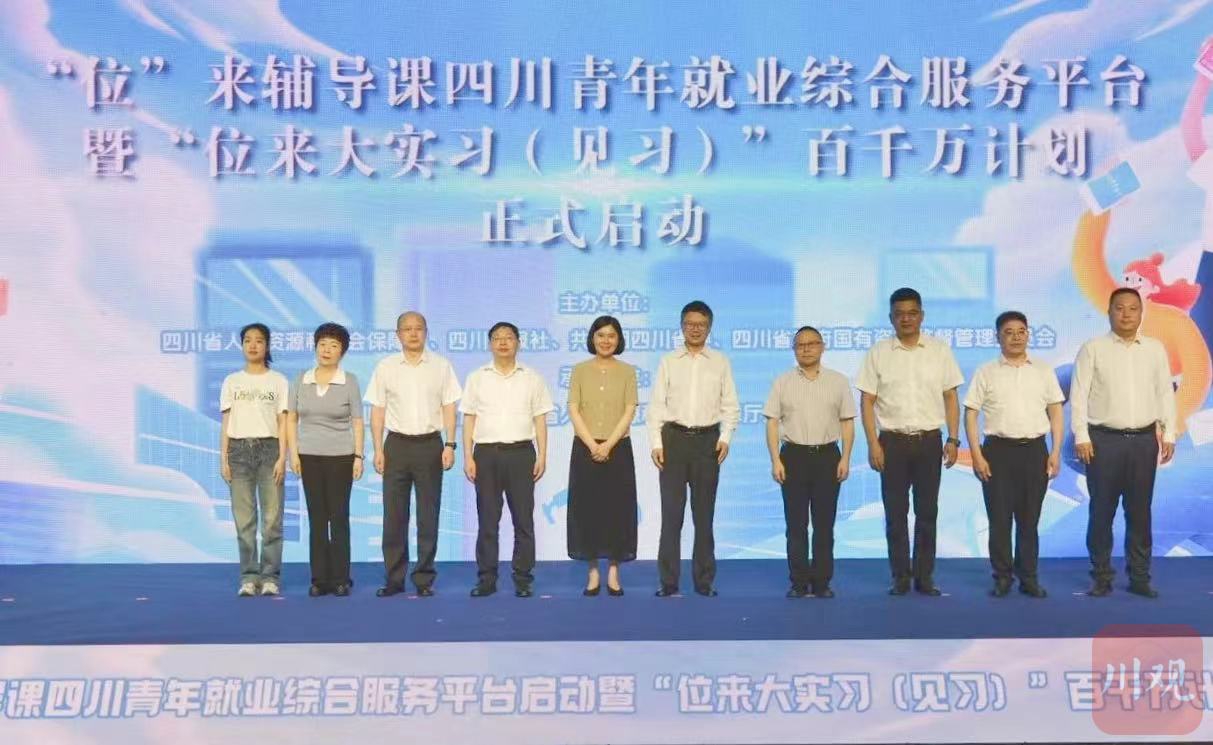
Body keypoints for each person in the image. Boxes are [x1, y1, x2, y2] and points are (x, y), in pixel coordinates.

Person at [857, 287, 963, 597]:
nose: (906, 319)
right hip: (892, 443)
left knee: (927, 512)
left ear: (922, 316)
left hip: (930, 441)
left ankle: (925, 577)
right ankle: (900, 577)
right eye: (900, 314)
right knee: (895, 513)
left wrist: (953, 438)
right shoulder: (879, 353)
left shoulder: (939, 350)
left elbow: (950, 396)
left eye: (912, 313)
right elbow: (867, 401)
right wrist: (873, 444)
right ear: (891, 318)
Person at [1071, 288, 1177, 598]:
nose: (1126, 314)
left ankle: (1140, 577)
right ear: (1109, 312)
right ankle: (1101, 576)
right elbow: (1078, 395)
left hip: (1144, 441)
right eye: (1119, 308)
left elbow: (1164, 393)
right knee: (1101, 511)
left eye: (1133, 308)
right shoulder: (1093, 348)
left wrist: (1169, 433)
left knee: (1140, 512)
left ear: (1141, 313)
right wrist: (1081, 435)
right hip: (1103, 442)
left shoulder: (1155, 349)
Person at [963, 311, 1064, 599]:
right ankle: (1002, 577)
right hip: (997, 452)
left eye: (1021, 331)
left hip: (1035, 451)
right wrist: (977, 455)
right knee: (999, 520)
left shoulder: (1043, 370)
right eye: (1009, 332)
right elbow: (971, 414)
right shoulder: (986, 372)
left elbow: (1056, 411)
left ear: (1028, 334)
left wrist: (1055, 451)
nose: (1016, 337)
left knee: (1029, 521)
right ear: (998, 337)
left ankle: (1028, 578)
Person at [364, 311, 461, 598]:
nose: (413, 333)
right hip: (396, 445)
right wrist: (377, 449)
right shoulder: (386, 367)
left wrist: (450, 444)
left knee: (428, 515)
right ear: (398, 335)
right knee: (394, 515)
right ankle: (394, 578)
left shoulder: (441, 366)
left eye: (418, 328)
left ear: (426, 332)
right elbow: (377, 411)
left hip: (430, 445)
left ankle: (424, 578)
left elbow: (449, 407)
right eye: (407, 329)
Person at [649, 300, 740, 597]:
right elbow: (656, 405)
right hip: (673, 441)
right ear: (681, 326)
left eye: (701, 324)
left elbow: (730, 405)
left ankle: (704, 581)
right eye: (690, 324)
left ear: (709, 328)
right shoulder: (669, 361)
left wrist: (725, 437)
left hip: (707, 443)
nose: (695, 329)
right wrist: (657, 443)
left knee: (704, 516)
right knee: (671, 516)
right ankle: (669, 582)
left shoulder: (720, 362)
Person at [461, 322, 554, 598]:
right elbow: (469, 419)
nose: (503, 342)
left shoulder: (532, 378)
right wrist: (468, 455)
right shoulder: (477, 377)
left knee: (523, 519)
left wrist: (543, 454)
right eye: (497, 338)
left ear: (518, 343)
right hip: (486, 454)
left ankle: (523, 578)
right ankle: (486, 579)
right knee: (488, 520)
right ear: (490, 344)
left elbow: (540, 419)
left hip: (521, 454)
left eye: (509, 338)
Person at [764, 325, 855, 599]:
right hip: (793, 457)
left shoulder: (838, 381)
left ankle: (822, 582)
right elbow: (772, 422)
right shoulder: (782, 382)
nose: (806, 349)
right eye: (800, 345)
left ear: (822, 347)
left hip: (828, 456)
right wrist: (775, 460)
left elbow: (847, 422)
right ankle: (799, 582)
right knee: (796, 525)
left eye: (812, 344)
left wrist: (846, 457)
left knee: (824, 525)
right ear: (794, 349)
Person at [287, 323, 364, 598]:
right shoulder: (301, 379)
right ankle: (319, 579)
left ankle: (341, 578)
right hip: (309, 456)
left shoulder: (349, 380)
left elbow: (358, 421)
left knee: (338, 517)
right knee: (317, 518)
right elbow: (291, 419)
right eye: (322, 344)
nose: (327, 350)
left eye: (333, 345)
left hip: (341, 457)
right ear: (315, 347)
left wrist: (358, 456)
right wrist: (293, 453)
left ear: (342, 351)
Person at [566, 315, 639, 597]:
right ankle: (593, 571)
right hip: (585, 448)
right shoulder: (579, 370)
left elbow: (630, 410)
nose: (605, 340)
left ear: (618, 339)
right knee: (588, 509)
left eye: (611, 335)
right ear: (592, 338)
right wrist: (592, 444)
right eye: (600, 335)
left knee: (617, 509)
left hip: (618, 448)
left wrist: (608, 445)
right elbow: (573, 408)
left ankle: (614, 571)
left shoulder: (628, 371)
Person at [219, 323, 289, 597]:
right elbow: (226, 422)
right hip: (238, 452)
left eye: (259, 340)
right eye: (247, 340)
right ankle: (249, 577)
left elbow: (283, 422)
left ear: (267, 345)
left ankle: (270, 576)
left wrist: (282, 457)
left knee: (272, 520)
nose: (253, 345)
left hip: (270, 450)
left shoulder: (278, 381)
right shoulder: (232, 381)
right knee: (244, 520)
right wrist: (223, 458)